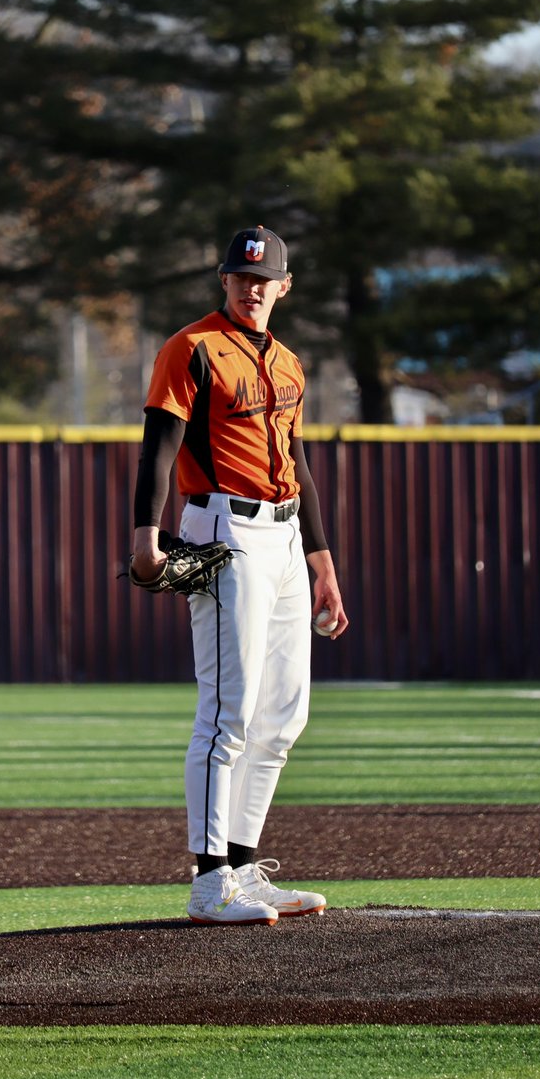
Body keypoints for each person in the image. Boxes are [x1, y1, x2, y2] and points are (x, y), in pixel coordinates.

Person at [132, 223, 348, 925]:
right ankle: (207, 883)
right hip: (224, 529)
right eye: (241, 277)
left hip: (285, 536)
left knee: (284, 715)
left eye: (265, 280)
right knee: (229, 710)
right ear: (224, 281)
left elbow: (300, 462)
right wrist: (145, 535)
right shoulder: (190, 349)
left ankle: (243, 867)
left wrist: (321, 562)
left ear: (285, 287)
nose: (252, 289)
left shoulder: (288, 362)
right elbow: (157, 446)